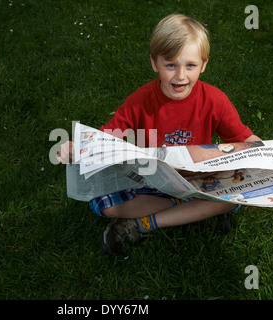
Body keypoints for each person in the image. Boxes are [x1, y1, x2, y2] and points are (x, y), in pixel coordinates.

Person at [57, 14, 261, 255]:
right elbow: (105, 140)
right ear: (155, 63)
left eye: (190, 66)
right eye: (171, 65)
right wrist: (75, 148)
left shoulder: (215, 100)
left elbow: (245, 139)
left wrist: (266, 151)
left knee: (235, 196)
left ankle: (146, 223)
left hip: (196, 180)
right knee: (104, 206)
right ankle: (187, 210)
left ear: (204, 64)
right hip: (151, 183)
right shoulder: (140, 101)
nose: (181, 76)